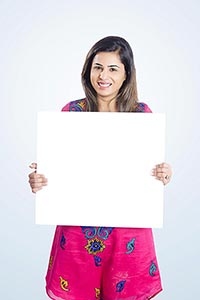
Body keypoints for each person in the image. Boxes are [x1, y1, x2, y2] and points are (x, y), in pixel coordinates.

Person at [29, 36, 172, 300]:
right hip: (77, 237)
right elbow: (58, 174)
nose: (103, 75)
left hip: (128, 234)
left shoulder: (142, 116)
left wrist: (162, 174)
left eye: (113, 68)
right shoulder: (70, 113)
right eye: (97, 67)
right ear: (88, 70)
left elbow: (149, 173)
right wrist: (41, 179)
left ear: (127, 74)